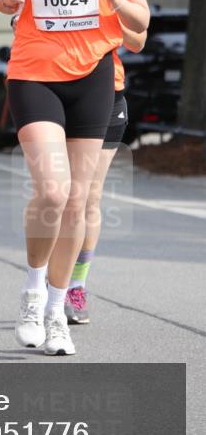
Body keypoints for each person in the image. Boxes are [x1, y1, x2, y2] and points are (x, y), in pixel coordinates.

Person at [0, 0, 149, 356]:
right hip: (35, 71)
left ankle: (59, 309)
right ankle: (33, 292)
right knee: (54, 193)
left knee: (80, 200)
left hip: (94, 74)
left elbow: (141, 22)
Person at [64, 21, 147, 323]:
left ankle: (77, 285)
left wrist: (114, 11)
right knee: (60, 195)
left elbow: (138, 41)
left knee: (89, 197)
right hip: (58, 91)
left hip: (108, 93)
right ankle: (50, 279)